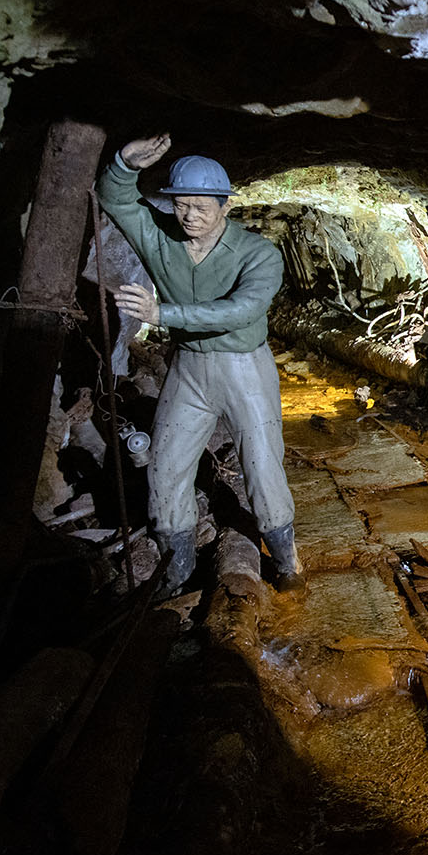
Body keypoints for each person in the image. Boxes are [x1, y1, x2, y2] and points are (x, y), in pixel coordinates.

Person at [97, 134, 301, 595]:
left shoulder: (258, 254)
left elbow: (242, 309)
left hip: (245, 368)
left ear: (225, 205)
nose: (189, 215)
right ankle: (178, 570)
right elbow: (116, 199)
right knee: (165, 466)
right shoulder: (161, 239)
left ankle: (287, 565)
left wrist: (160, 314)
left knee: (263, 468)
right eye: (181, 205)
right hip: (189, 368)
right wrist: (124, 164)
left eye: (201, 205)